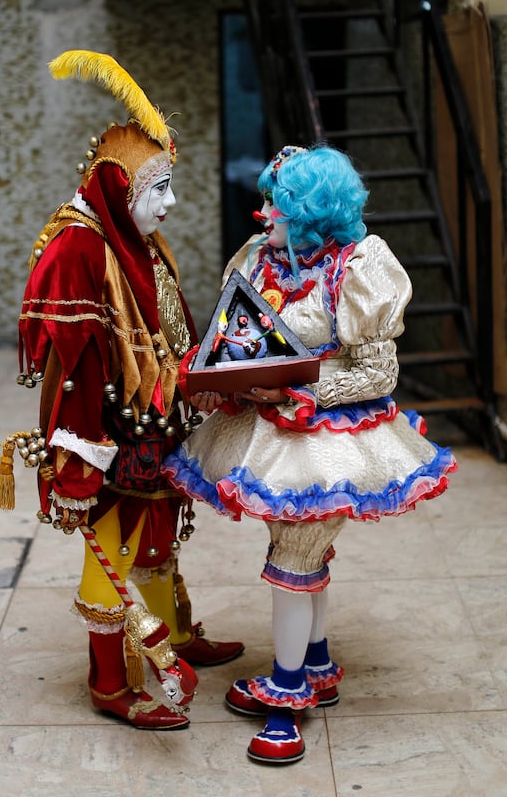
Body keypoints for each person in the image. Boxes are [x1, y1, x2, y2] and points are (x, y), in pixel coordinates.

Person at [163, 142, 457, 761]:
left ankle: (287, 694)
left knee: (295, 556)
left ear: (312, 210)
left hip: (326, 440)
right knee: (304, 551)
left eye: (278, 202)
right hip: (267, 431)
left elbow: (377, 373)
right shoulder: (260, 258)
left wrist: (295, 388)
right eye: (266, 200)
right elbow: (236, 340)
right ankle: (316, 666)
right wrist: (223, 382)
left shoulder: (361, 264)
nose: (263, 212)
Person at [0, 50, 243, 731]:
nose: (169, 203)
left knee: (159, 535)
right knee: (113, 548)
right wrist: (77, 465)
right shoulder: (79, 249)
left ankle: (170, 635)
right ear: (116, 188)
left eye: (168, 184)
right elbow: (70, 370)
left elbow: (166, 331)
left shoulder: (138, 237)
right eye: (156, 188)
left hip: (153, 421)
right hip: (106, 435)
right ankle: (110, 682)